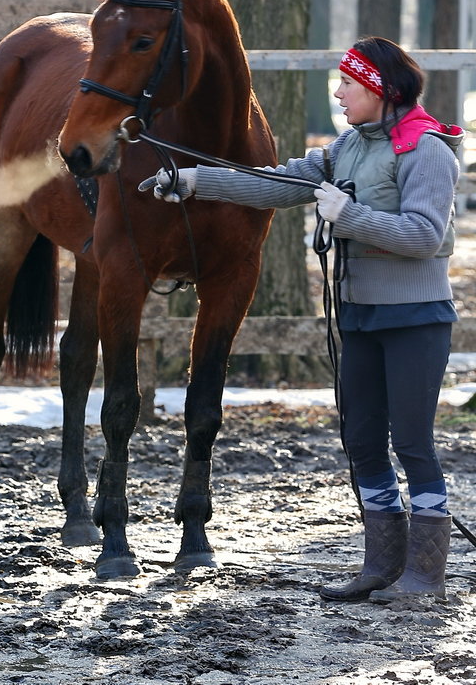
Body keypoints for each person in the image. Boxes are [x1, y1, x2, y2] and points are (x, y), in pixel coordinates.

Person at [139, 36, 464, 603]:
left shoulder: (427, 151)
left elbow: (424, 236)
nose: (338, 93)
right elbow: (274, 182)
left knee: (412, 443)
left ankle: (425, 576)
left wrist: (349, 215)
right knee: (362, 441)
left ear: (380, 90)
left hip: (415, 319)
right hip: (359, 317)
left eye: (349, 85)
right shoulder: (347, 148)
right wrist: (193, 180)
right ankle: (382, 564)